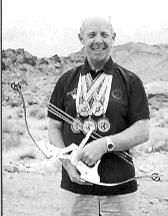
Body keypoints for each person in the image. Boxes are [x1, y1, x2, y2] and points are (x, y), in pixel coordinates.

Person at [47, 16, 150, 216]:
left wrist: (105, 144)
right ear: (81, 38)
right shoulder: (66, 81)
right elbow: (54, 127)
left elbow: (143, 131)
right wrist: (68, 165)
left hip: (120, 192)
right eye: (91, 35)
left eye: (104, 35)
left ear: (113, 37)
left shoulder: (131, 81)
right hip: (75, 192)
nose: (98, 40)